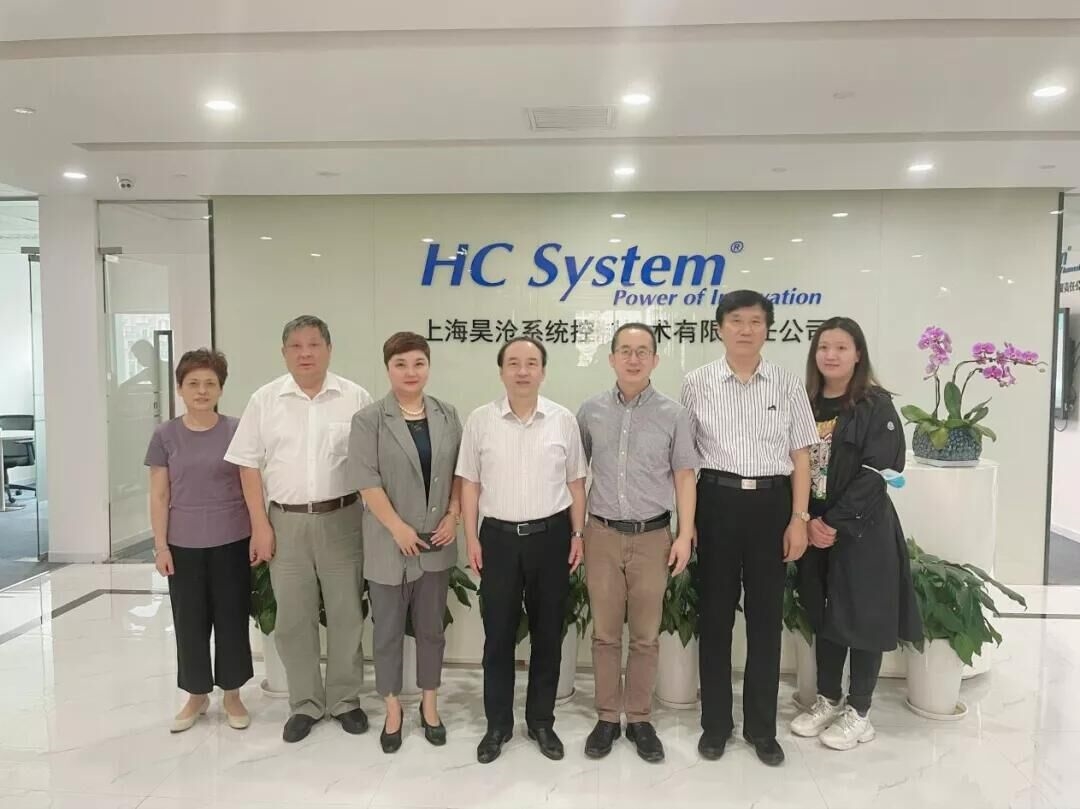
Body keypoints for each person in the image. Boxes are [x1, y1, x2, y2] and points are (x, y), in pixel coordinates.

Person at [680, 290, 819, 767]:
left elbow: (802, 456)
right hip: (715, 503)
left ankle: (762, 728)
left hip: (771, 505)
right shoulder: (696, 383)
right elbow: (685, 462)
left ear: (767, 329)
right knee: (715, 617)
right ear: (719, 327)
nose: (745, 329)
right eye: (736, 320)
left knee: (764, 620)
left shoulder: (786, 384)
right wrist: (687, 524)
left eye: (755, 321)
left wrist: (799, 518)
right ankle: (715, 726)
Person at [225, 315, 373, 743]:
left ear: (329, 349)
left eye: (314, 344)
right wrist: (260, 525)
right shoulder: (265, 399)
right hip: (284, 522)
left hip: (343, 519)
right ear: (284, 352)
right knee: (293, 619)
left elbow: (370, 465)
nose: (305, 353)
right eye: (296, 346)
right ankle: (305, 703)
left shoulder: (355, 397)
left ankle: (345, 700)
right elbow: (248, 466)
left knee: (346, 614)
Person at [790, 316, 922, 750]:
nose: (830, 355)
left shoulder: (875, 405)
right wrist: (806, 519)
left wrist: (833, 522)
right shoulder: (805, 403)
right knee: (825, 614)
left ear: (858, 353)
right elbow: (792, 464)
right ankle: (828, 699)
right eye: (823, 347)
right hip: (813, 527)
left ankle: (860, 712)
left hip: (862, 528)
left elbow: (879, 470)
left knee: (863, 616)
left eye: (841, 347)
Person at [457, 336, 587, 764]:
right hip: (497, 538)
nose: (523, 371)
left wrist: (578, 535)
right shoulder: (480, 420)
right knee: (498, 635)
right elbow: (469, 483)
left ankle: (541, 721)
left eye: (531, 363)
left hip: (552, 537)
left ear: (543, 371)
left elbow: (575, 483)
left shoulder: (563, 420)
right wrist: (471, 537)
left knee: (549, 633)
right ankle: (498, 724)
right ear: (501, 371)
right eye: (513, 363)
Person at [576, 322, 698, 763]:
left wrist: (684, 534)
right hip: (602, 535)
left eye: (642, 351)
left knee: (646, 636)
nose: (633, 358)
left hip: (652, 538)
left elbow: (685, 476)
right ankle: (608, 717)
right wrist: (577, 533)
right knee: (606, 635)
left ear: (655, 359)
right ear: (611, 358)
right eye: (625, 351)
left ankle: (641, 719)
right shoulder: (589, 411)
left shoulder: (674, 414)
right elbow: (577, 477)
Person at [348, 332, 463, 754]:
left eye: (418, 363)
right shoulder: (369, 420)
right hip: (388, 543)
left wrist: (454, 514)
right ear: (388, 369)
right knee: (387, 632)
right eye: (401, 364)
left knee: (431, 629)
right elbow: (366, 481)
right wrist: (396, 527)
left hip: (437, 541)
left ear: (428, 367)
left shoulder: (448, 414)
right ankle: (393, 708)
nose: (410, 372)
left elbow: (461, 474)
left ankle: (430, 705)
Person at [146, 348, 253, 733]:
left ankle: (233, 693)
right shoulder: (165, 435)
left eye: (210, 383)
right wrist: (161, 545)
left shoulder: (237, 430)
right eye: (193, 383)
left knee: (231, 618)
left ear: (221, 388)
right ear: (180, 388)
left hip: (232, 539)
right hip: (183, 544)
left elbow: (251, 486)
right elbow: (159, 494)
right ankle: (196, 694)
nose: (202, 391)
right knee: (189, 621)